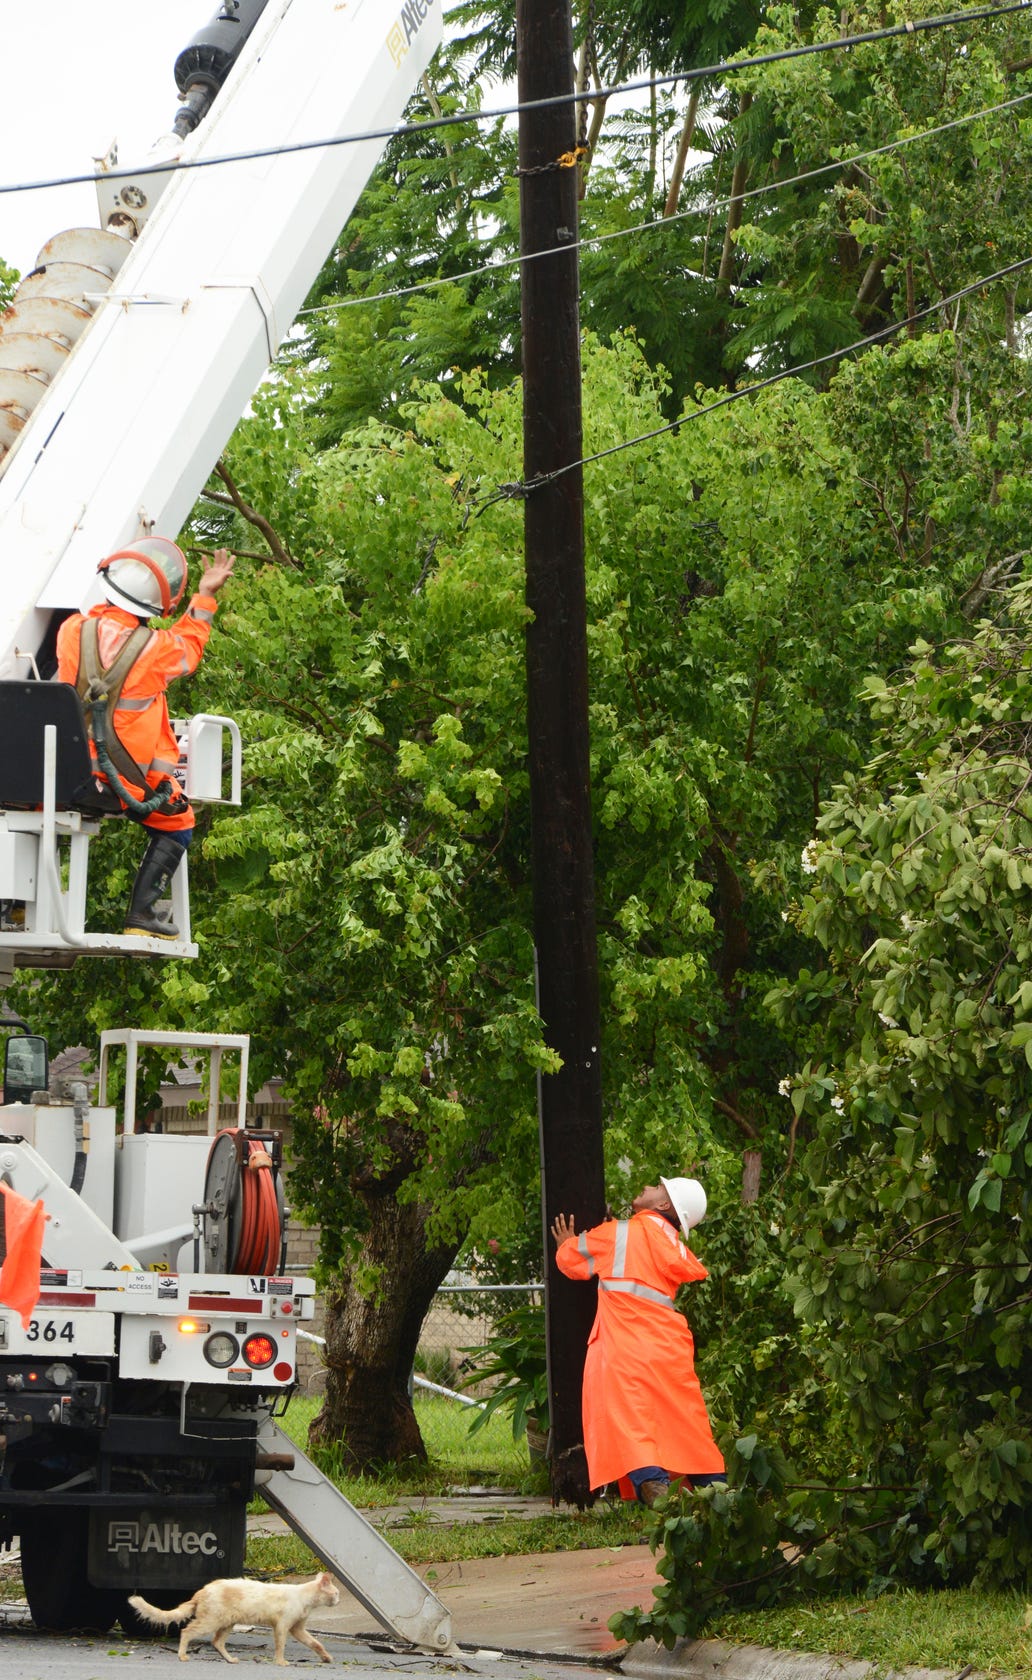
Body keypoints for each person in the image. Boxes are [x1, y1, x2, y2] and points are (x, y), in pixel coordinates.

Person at [56, 537, 235, 939]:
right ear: (157, 605)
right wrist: (204, 596)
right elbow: (190, 648)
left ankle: (11, 905)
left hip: (65, 770)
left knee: (39, 811)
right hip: (121, 780)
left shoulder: (72, 630)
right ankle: (143, 915)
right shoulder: (156, 648)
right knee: (179, 820)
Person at [551, 1175, 725, 1506]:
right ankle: (723, 1505)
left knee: (631, 1428)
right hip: (670, 1349)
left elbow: (572, 1262)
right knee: (687, 1430)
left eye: (659, 1188)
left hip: (626, 1348)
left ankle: (661, 1503)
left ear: (663, 1204)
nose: (649, 1187)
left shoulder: (621, 1232)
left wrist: (566, 1243)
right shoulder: (672, 1244)